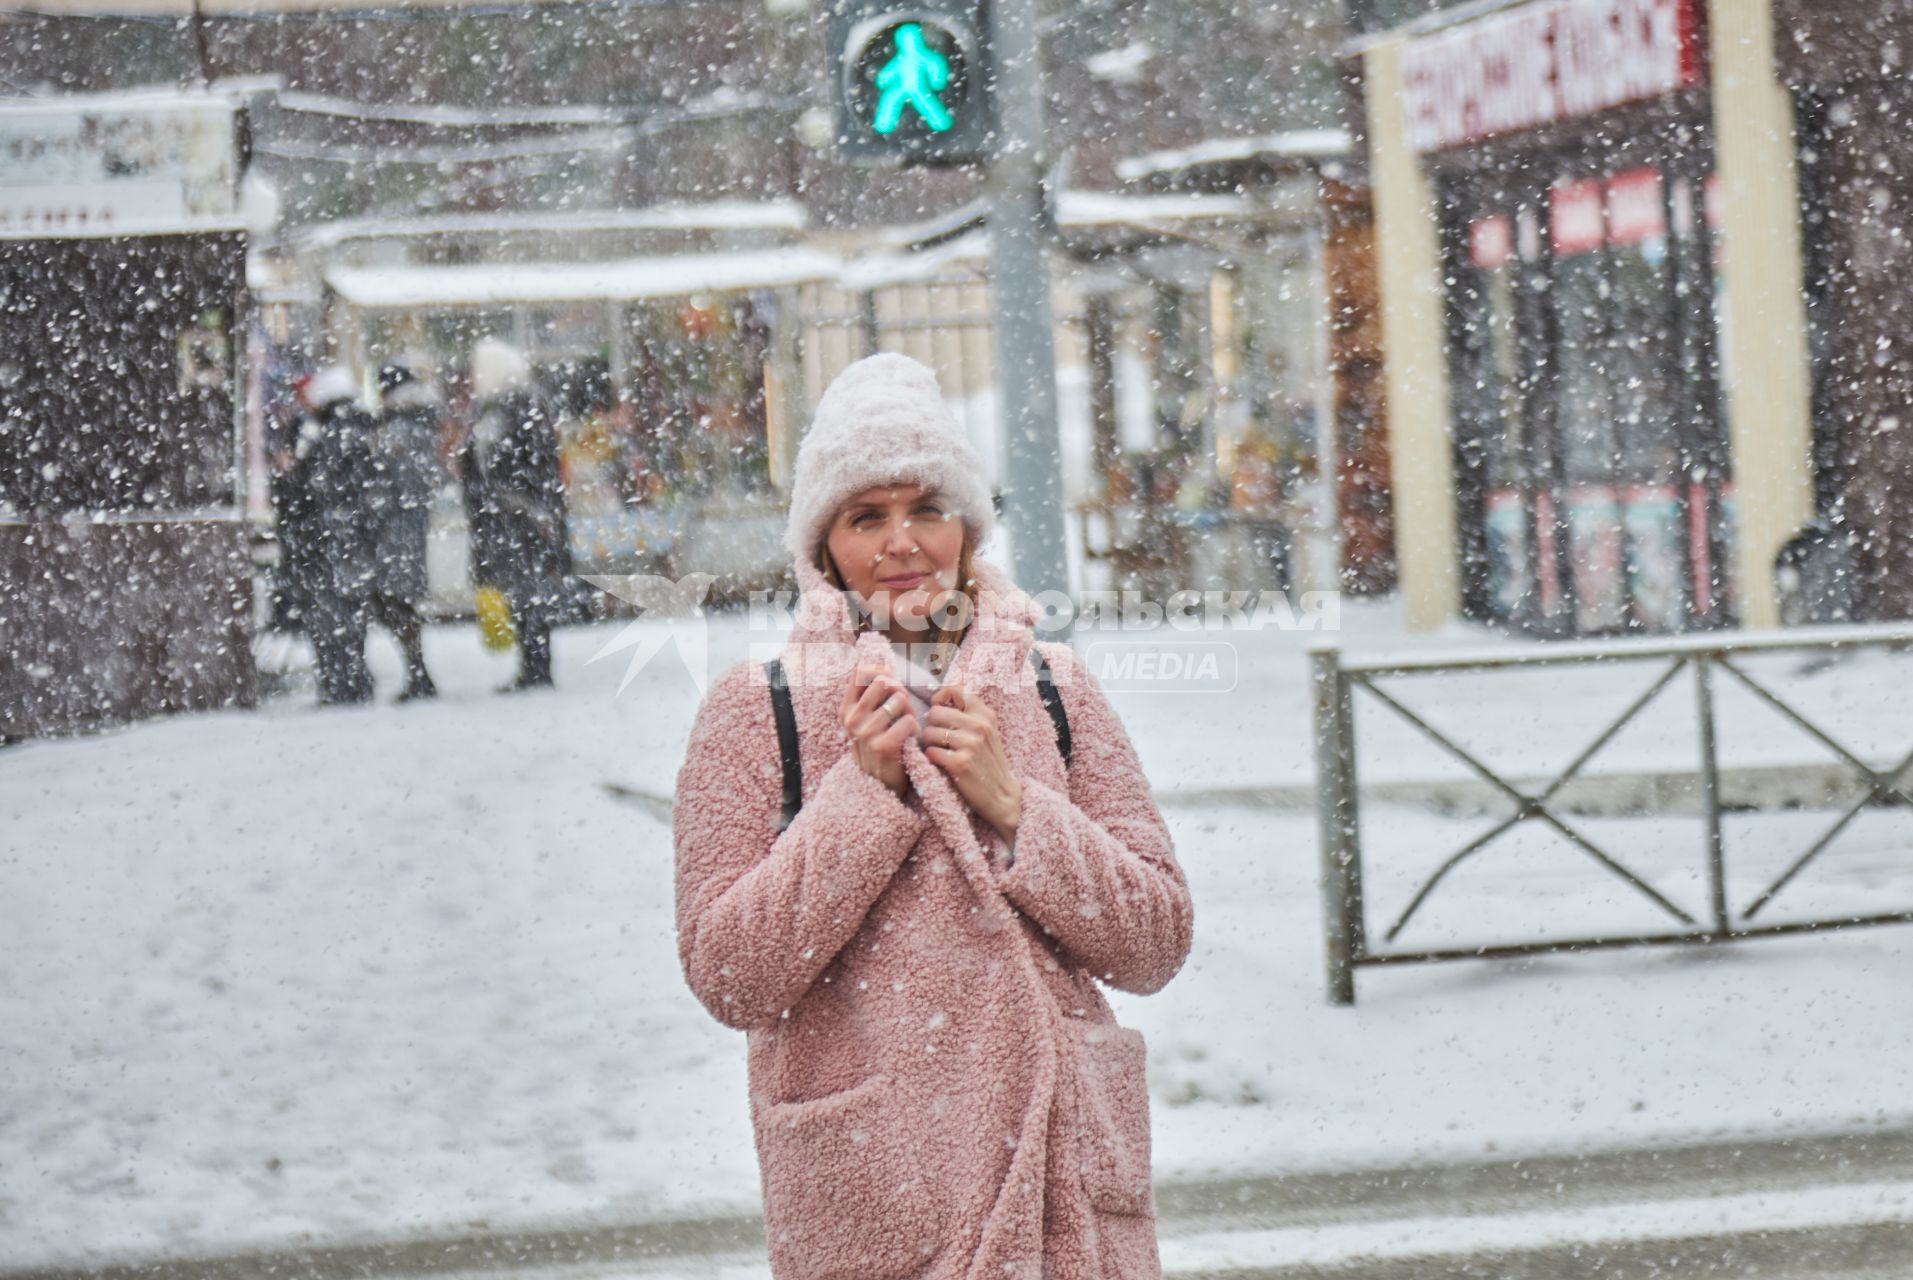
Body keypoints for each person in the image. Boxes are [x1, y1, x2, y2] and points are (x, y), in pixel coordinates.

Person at [672, 354, 1194, 1280]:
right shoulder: (760, 709)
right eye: (865, 517)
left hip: (1056, 1185)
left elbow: (1154, 940)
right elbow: (729, 973)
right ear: (822, 545)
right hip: (880, 1191)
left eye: (927, 509)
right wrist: (862, 799)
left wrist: (1016, 807)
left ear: (968, 527)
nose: (903, 542)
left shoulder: (1052, 686)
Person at [457, 337, 572, 692]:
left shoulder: (509, 410)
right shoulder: (516, 408)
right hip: (517, 521)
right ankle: (534, 665)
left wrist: (507, 503)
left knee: (527, 594)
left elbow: (503, 470)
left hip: (517, 522)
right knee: (525, 594)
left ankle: (535, 667)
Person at [287, 365, 379, 707]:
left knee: (332, 618)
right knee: (351, 618)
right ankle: (353, 681)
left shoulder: (330, 436)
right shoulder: (362, 430)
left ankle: (341, 683)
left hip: (330, 542)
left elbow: (319, 490)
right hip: (352, 542)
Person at [372, 355, 442, 702]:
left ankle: (419, 673)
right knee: (398, 601)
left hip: (395, 530)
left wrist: (376, 505)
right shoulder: (419, 423)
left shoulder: (398, 429)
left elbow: (394, 483)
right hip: (408, 528)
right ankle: (418, 672)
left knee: (395, 601)